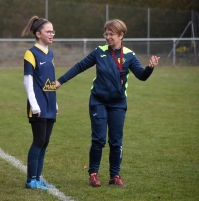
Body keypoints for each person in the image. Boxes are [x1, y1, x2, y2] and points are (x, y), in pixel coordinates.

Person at [56, 19, 160, 187]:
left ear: (121, 35)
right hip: (98, 101)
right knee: (98, 139)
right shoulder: (99, 52)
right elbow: (79, 67)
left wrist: (149, 68)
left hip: (118, 103)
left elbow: (141, 76)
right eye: (106, 33)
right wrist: (60, 81)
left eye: (111, 34)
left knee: (116, 141)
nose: (108, 37)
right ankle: (93, 174)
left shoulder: (129, 55)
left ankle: (115, 176)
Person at [21, 16, 58, 190]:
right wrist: (34, 105)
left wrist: (55, 103)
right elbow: (28, 81)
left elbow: (51, 80)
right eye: (48, 31)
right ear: (38, 34)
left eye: (52, 31)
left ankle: (38, 178)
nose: (52, 34)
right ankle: (31, 180)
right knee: (38, 141)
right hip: (38, 106)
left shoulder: (50, 53)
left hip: (50, 104)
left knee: (45, 142)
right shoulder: (31, 53)